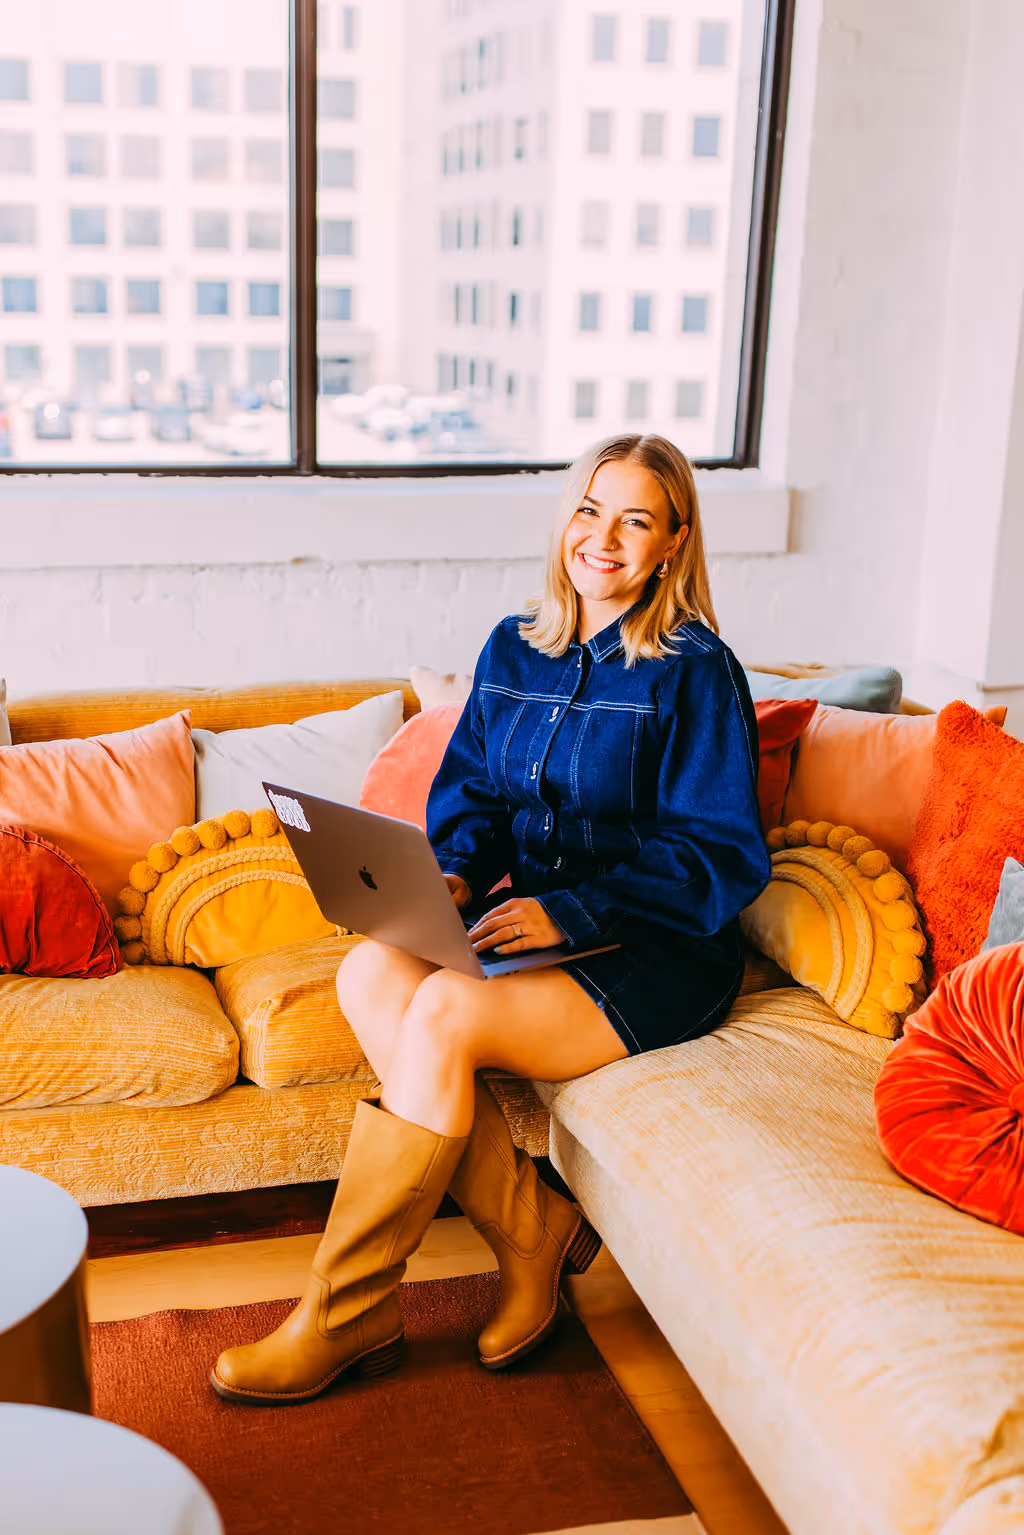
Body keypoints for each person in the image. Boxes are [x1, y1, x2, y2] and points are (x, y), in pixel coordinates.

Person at [211, 432, 771, 1405]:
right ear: (566, 518)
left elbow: (719, 854)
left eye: (636, 519)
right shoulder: (515, 646)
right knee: (368, 972)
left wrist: (570, 909)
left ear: (673, 541)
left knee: (440, 1015)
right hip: (529, 920)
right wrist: (460, 877)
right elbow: (470, 798)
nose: (603, 537)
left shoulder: (695, 670)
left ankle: (346, 1311)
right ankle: (532, 1226)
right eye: (590, 509)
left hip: (656, 946)